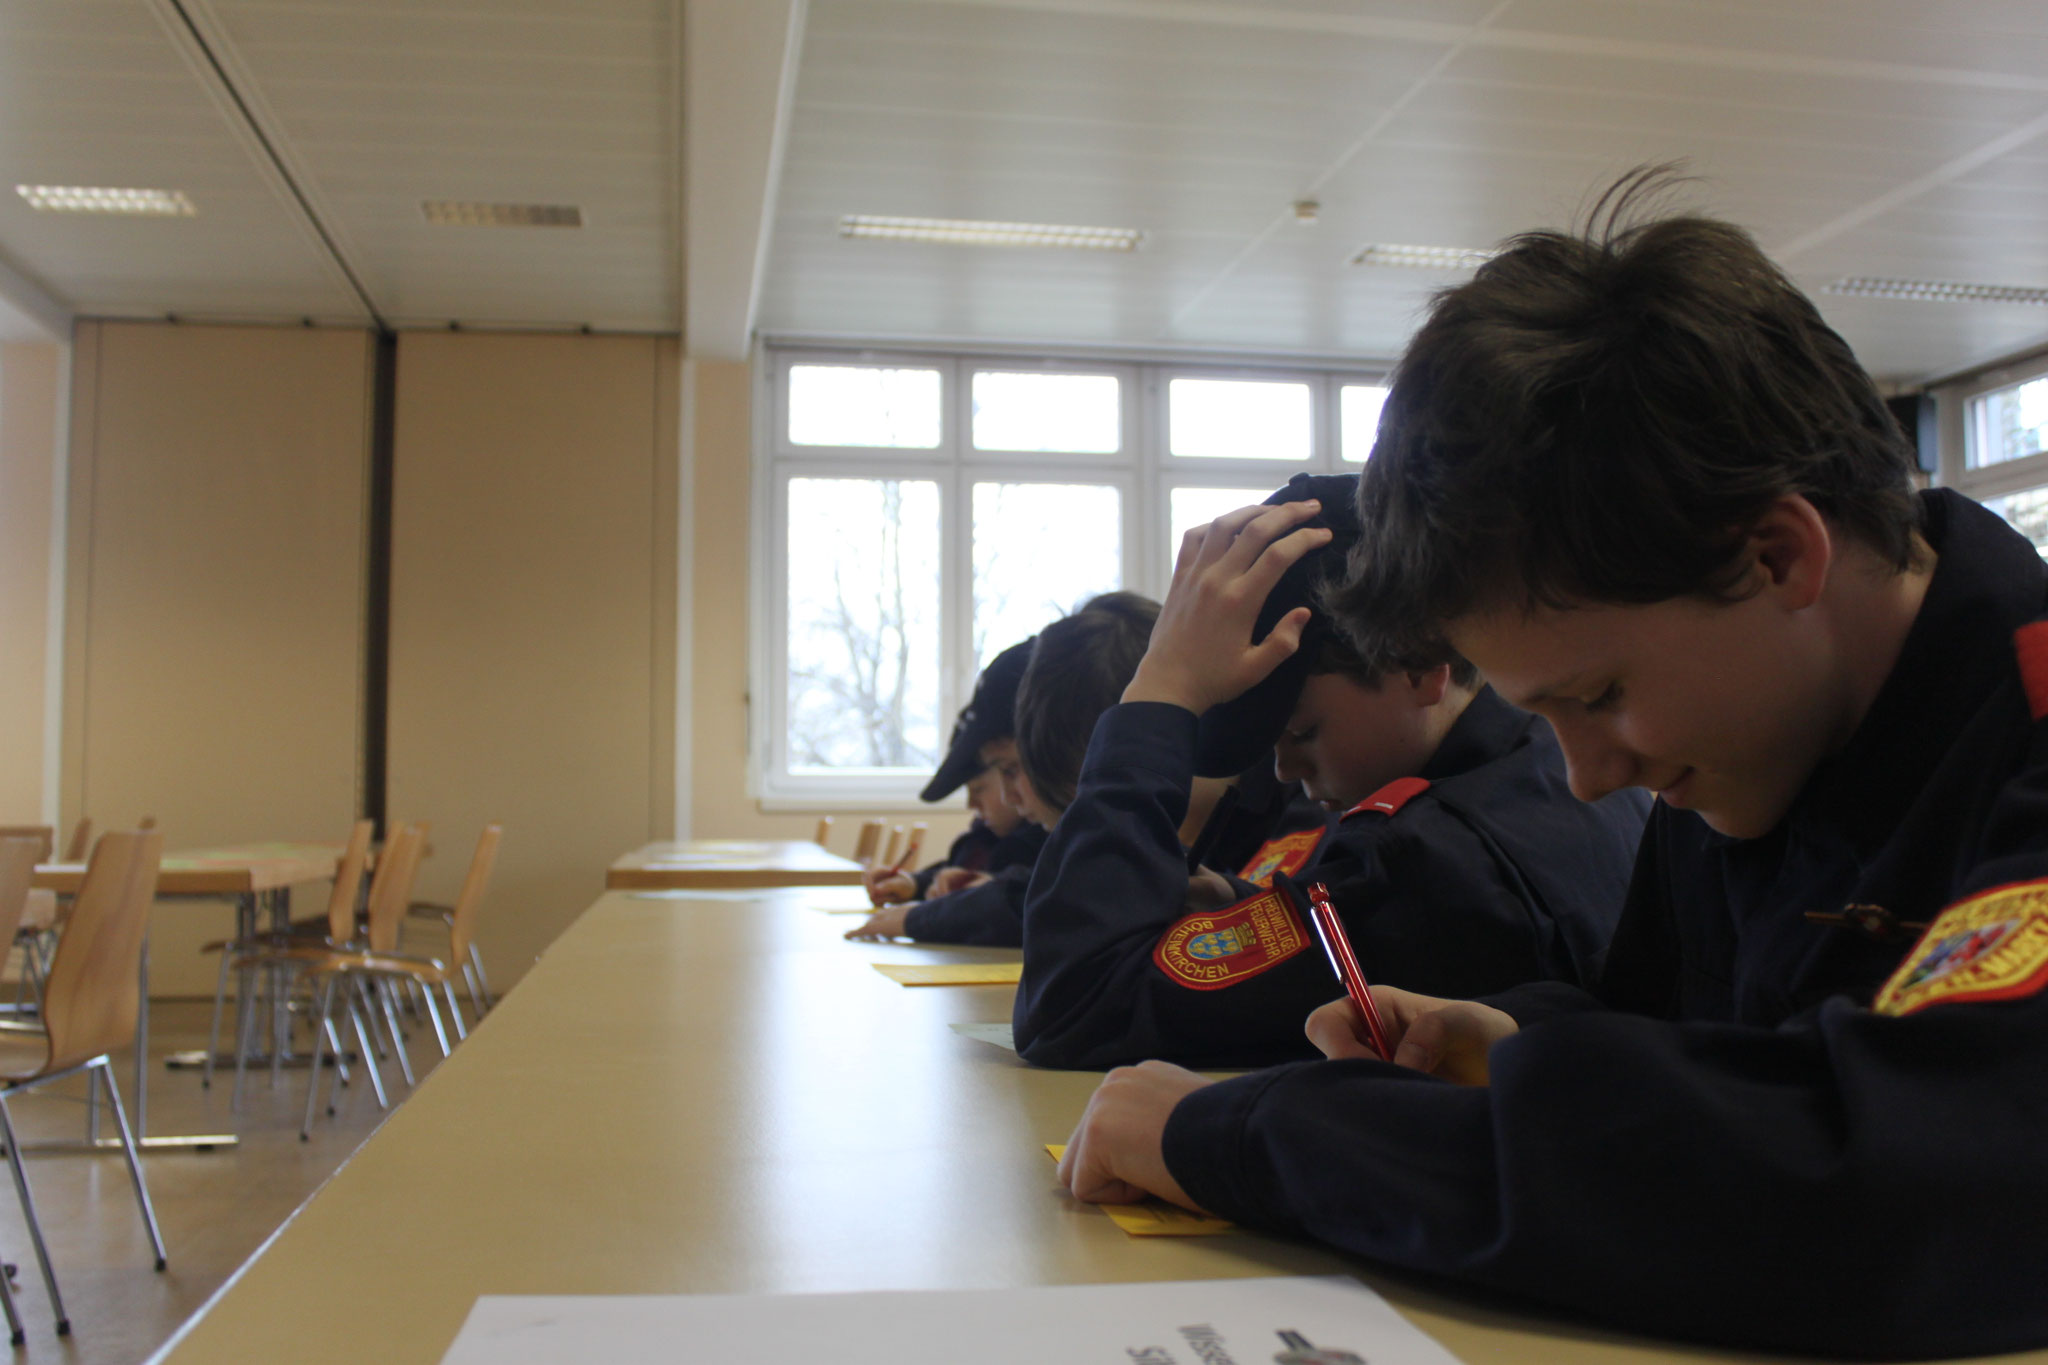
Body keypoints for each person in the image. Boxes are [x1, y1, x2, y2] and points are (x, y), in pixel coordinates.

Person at [1054, 169, 2048, 1359]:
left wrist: (1258, 1135)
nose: (1584, 776)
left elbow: (1887, 1195)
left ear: (1778, 557)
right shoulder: (1745, 738)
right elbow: (1671, 1037)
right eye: (1547, 713)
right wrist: (1509, 1042)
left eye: (1598, 694)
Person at [1013, 474, 1648, 1070]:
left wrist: (1161, 690)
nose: (1285, 770)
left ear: (1417, 662)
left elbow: (1070, 1008)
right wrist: (1243, 904)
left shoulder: (1428, 861)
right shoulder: (1532, 761)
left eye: (1301, 732)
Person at [847, 638, 1048, 945]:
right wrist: (916, 884)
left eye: (1010, 769)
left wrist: (926, 916)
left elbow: (1031, 902)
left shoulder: (1042, 842)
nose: (1011, 796)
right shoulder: (985, 839)